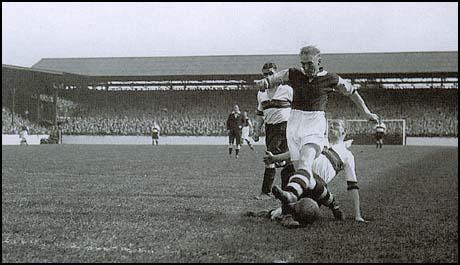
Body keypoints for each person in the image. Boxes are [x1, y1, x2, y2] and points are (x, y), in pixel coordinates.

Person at [254, 45, 379, 220]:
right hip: (293, 125)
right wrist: (264, 83)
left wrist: (366, 112)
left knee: (305, 164)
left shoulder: (330, 78)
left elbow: (352, 92)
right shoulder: (294, 73)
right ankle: (332, 204)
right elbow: (277, 77)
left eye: (309, 63)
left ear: (319, 61)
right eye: (303, 64)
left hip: (314, 124)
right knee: (306, 178)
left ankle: (289, 196)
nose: (306, 67)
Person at [260, 119, 368, 228]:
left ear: (344, 131)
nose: (331, 127)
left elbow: (353, 185)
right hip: (300, 177)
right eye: (330, 125)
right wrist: (274, 158)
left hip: (316, 188)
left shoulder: (347, 155)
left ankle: (281, 210)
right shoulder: (320, 140)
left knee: (305, 211)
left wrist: (358, 215)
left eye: (336, 125)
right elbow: (297, 151)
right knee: (289, 169)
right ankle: (285, 212)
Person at [252, 62, 295, 200]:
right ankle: (286, 192)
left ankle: (266, 192)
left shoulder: (287, 90)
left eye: (271, 73)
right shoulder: (261, 93)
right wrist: (257, 130)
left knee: (273, 158)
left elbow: (298, 108)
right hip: (270, 129)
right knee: (284, 160)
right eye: (265, 74)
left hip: (286, 127)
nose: (268, 76)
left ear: (277, 74)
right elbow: (260, 114)